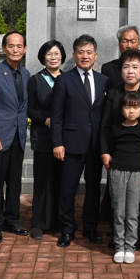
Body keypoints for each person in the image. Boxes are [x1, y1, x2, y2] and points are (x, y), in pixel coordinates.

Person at [100, 49, 140, 246]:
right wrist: (104, 151)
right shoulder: (113, 93)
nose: (130, 71)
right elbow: (105, 126)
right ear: (120, 71)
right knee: (118, 198)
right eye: (126, 66)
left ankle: (137, 233)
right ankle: (117, 234)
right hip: (118, 156)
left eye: (135, 67)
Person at [51, 34, 110, 247]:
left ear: (96, 56)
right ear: (74, 55)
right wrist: (57, 143)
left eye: (89, 52)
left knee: (94, 189)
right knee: (68, 189)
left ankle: (90, 228)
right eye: (81, 52)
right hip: (71, 145)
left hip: (95, 147)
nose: (85, 56)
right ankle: (67, 229)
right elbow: (56, 115)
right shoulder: (64, 80)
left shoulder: (104, 81)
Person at [0, 31, 30, 243]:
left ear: (25, 49)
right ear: (4, 49)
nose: (15, 49)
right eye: (11, 46)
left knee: (14, 182)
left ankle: (12, 219)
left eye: (19, 46)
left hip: (18, 136)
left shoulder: (26, 74)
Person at [103, 92, 140, 264]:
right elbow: (111, 148)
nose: (131, 111)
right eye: (127, 107)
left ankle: (130, 246)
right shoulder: (115, 129)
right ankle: (119, 245)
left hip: (137, 173)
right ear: (121, 110)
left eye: (135, 107)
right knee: (119, 211)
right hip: (117, 172)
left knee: (132, 212)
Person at [27, 40, 66, 240]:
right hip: (43, 136)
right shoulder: (36, 79)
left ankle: (59, 221)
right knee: (43, 181)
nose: (53, 57)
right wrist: (46, 120)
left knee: (61, 180)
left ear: (62, 57)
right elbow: (30, 108)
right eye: (49, 54)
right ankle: (39, 223)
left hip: (63, 138)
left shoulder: (68, 79)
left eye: (57, 54)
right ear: (43, 57)